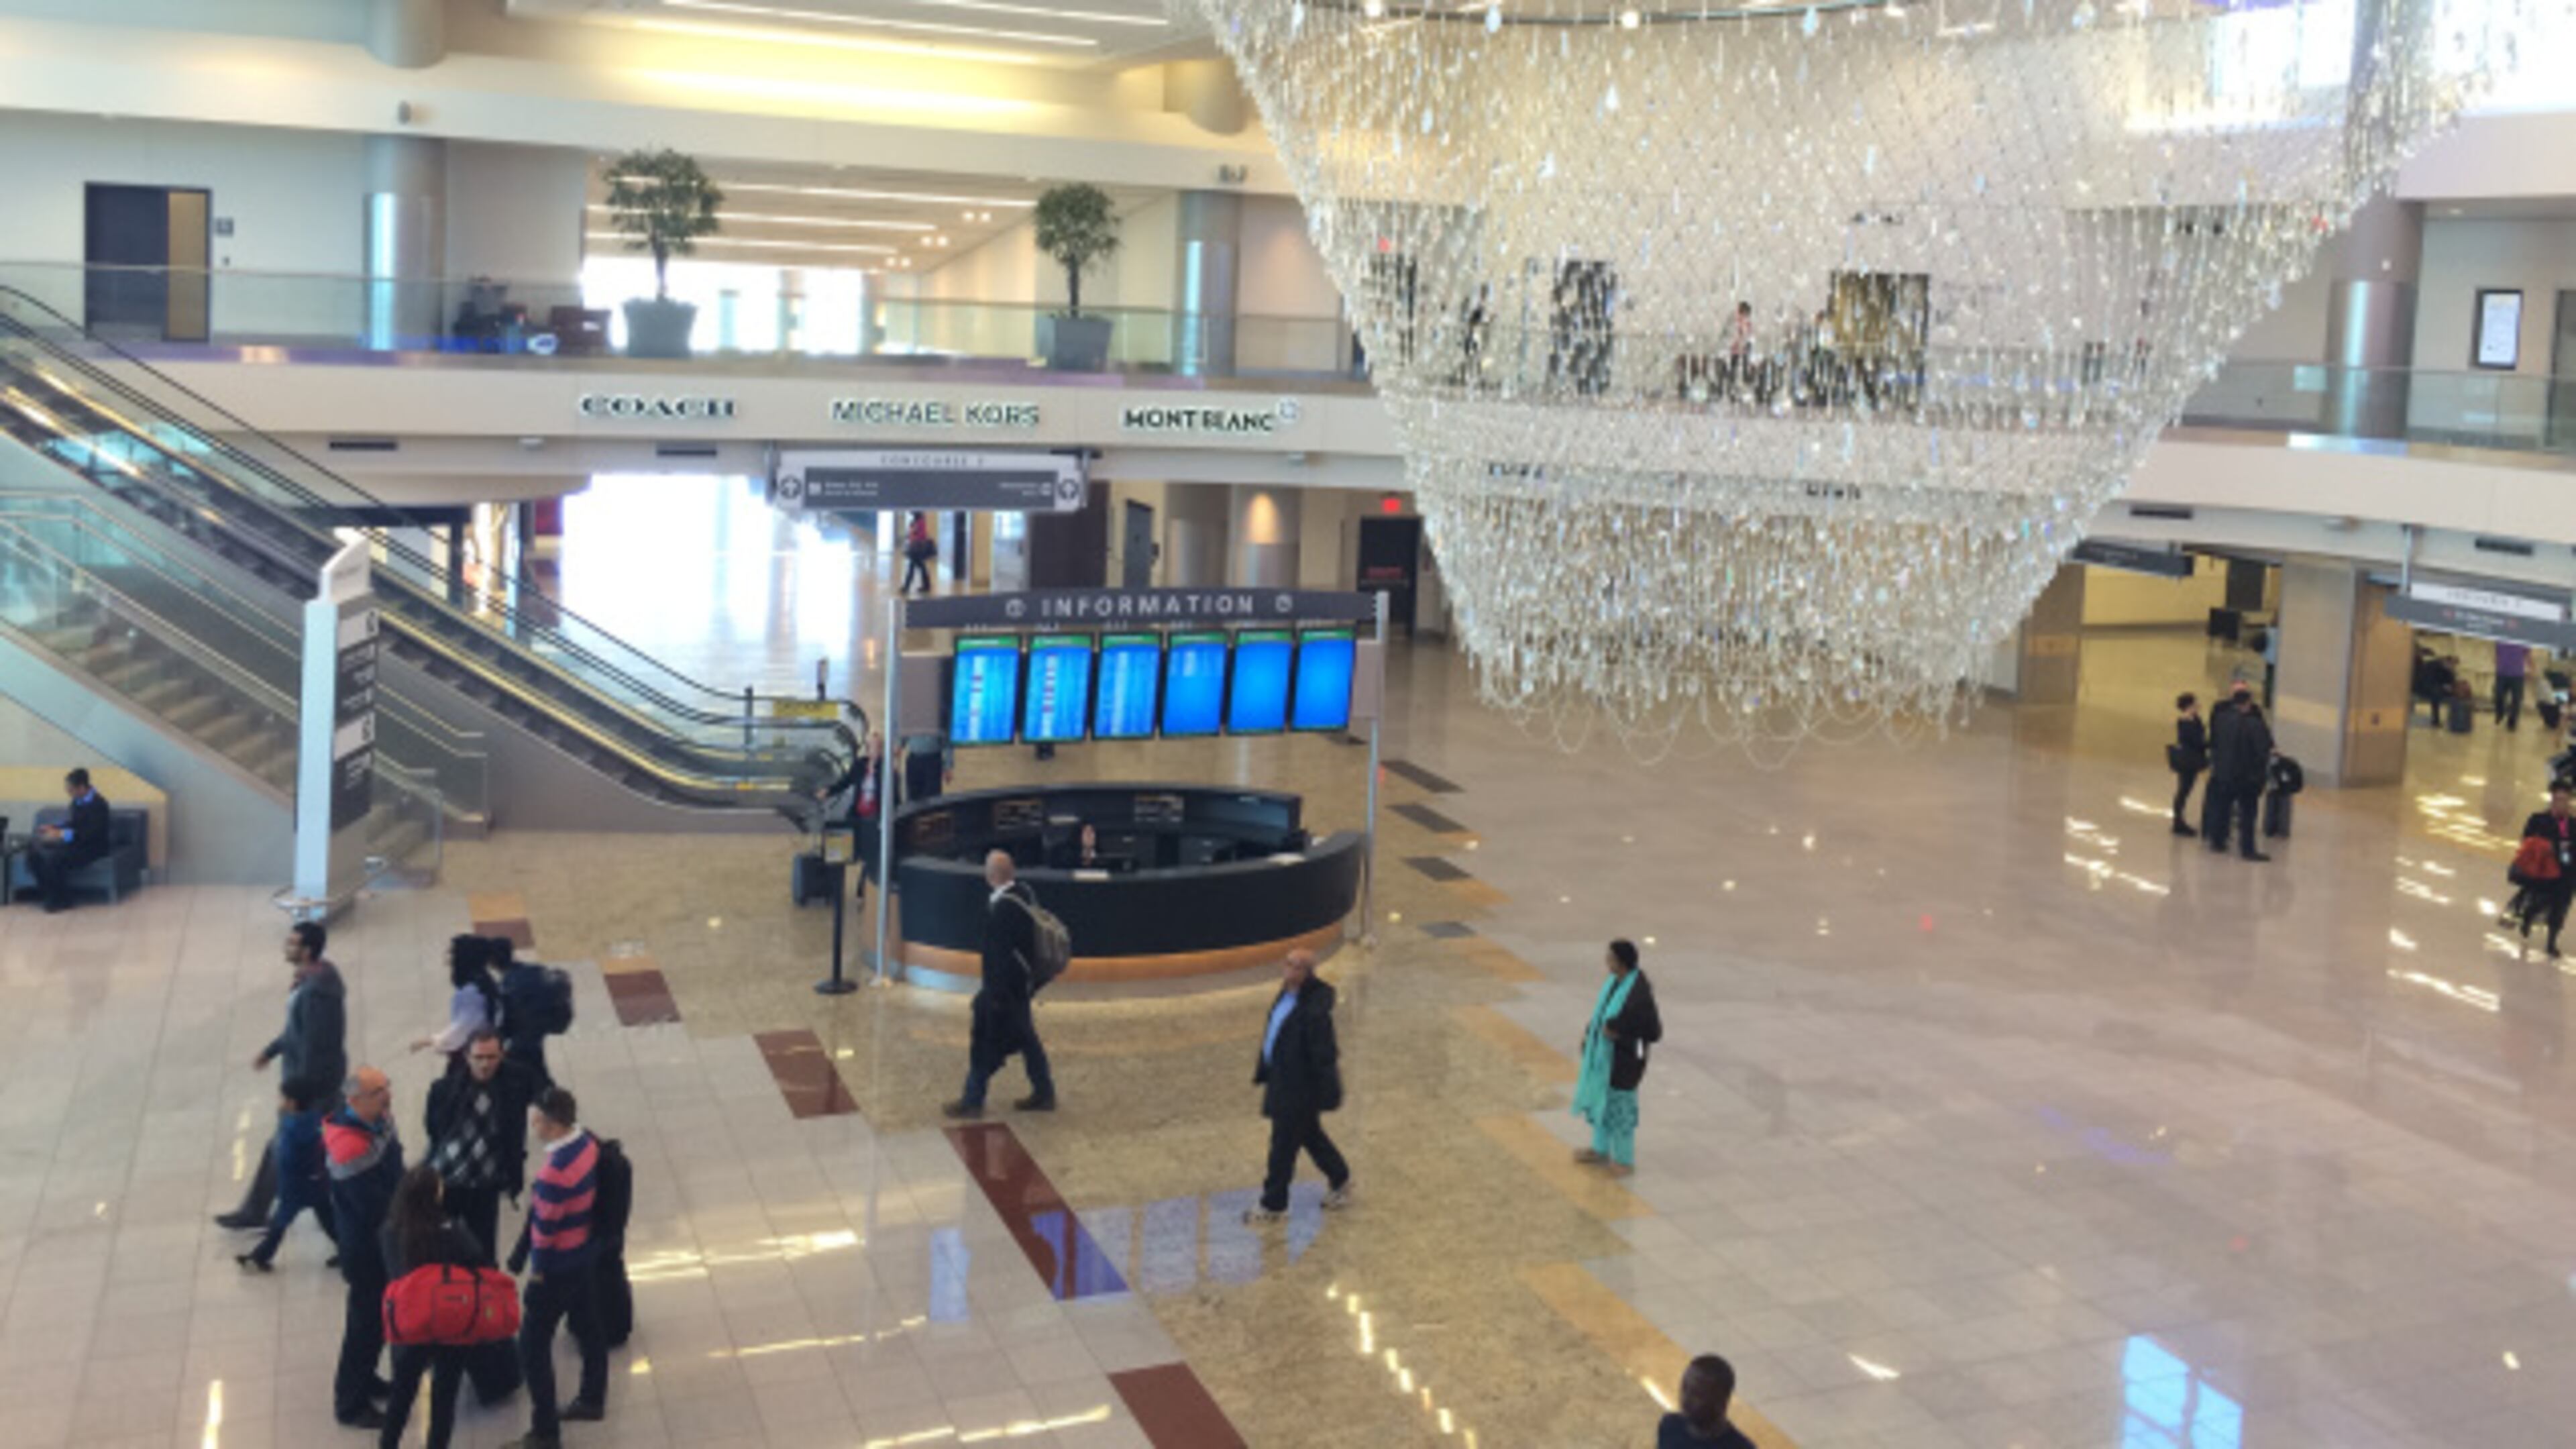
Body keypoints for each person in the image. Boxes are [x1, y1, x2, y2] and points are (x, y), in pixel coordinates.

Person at [216, 922, 349, 1230]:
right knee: (311, 1146)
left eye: (292, 944)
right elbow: (296, 1031)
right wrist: (272, 1050)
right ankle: (262, 1210)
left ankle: (257, 1212)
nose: (286, 948)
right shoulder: (313, 980)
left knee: (288, 1146)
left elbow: (315, 1044)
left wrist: (296, 1092)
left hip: (312, 1087)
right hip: (315, 1083)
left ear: (307, 950)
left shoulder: (316, 992)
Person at [505, 1087, 610, 1448]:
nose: (531, 1125)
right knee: (590, 1327)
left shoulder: (554, 1173)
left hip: (556, 1268)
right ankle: (593, 1397)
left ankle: (546, 1431)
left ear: (550, 1124)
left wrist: (537, 1273)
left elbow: (545, 1231)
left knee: (533, 1348)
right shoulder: (588, 1145)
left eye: (535, 1120)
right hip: (583, 1255)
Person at [377, 1165, 485, 1449]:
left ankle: (387, 1444)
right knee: (444, 1397)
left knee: (401, 1394)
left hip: (409, 1324)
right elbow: (478, 1259)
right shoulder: (451, 1231)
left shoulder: (390, 1232)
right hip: (451, 1324)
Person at [1242, 949, 1352, 1225]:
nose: (1290, 971)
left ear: (1308, 972)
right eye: (1288, 964)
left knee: (1282, 1146)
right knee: (1310, 1136)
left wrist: (1326, 1091)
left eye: (1297, 967)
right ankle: (1340, 1177)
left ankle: (1274, 1203)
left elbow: (1323, 1054)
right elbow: (1276, 1033)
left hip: (1298, 1089)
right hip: (1282, 1080)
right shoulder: (1286, 994)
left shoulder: (1314, 1012)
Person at [944, 850, 1056, 1118]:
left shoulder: (1002, 911)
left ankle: (973, 1100)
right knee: (1027, 1039)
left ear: (991, 876)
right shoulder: (1024, 894)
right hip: (1021, 986)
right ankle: (1044, 1092)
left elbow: (997, 958)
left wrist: (993, 996)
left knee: (985, 1042)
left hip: (1003, 992)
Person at [328, 1067, 405, 1430]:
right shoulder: (347, 1147)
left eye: (385, 1087)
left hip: (381, 1239)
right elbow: (371, 1204)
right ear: (354, 1100)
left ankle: (368, 1378)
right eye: (377, 1092)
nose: (386, 1095)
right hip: (364, 1251)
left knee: (374, 1324)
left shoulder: (380, 1120)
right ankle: (350, 1402)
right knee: (364, 1325)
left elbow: (395, 1164)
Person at [425, 1029, 539, 1262]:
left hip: (485, 1184)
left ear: (502, 1055)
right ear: (467, 1056)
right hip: (449, 1181)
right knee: (443, 1249)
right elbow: (434, 1128)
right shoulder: (444, 1089)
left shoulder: (516, 1082)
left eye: (491, 1057)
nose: (485, 1064)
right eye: (479, 1058)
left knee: (485, 1252)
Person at [1572, 939, 1662, 1177]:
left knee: (1621, 1110)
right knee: (1602, 1104)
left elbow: (1654, 1034)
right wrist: (1589, 1037)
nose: (1606, 960)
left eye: (1610, 957)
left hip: (1625, 1064)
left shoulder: (1638, 996)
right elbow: (1601, 1015)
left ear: (1620, 963)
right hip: (1605, 1060)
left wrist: (1618, 1036)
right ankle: (1600, 1149)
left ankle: (1624, 1160)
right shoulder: (1614, 983)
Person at [235, 1075, 334, 1271]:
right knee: (328, 1218)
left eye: (284, 1099)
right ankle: (348, 1251)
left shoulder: (292, 1128)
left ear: (293, 1103)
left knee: (279, 1223)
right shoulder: (316, 1119)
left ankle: (259, 1258)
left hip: (296, 1187)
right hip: (318, 1181)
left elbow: (286, 1158)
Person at [23, 767, 111, 912]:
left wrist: (62, 834)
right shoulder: (77, 802)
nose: (69, 793)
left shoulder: (99, 805)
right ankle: (50, 894)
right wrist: (54, 827)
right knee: (34, 854)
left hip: (93, 847)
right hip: (76, 843)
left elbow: (90, 834)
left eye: (71, 789)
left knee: (55, 858)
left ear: (82, 788)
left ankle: (59, 899)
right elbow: (74, 823)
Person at [2204, 682, 2273, 862]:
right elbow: (2262, 750)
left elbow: (2215, 743)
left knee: (2222, 808)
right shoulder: (2254, 724)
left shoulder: (2221, 719)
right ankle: (2247, 849)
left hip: (2224, 773)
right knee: (2248, 813)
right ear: (2248, 703)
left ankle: (2218, 841)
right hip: (2246, 777)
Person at [411, 935, 500, 1064]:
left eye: (452, 952)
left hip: (472, 1055)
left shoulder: (472, 992)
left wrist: (433, 1040)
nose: (448, 956)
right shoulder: (482, 982)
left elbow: (464, 1027)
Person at [494, 940, 567, 1087]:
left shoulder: (506, 986)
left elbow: (503, 1021)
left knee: (531, 1080)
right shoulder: (535, 971)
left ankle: (551, 1102)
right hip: (536, 1035)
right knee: (539, 1077)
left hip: (520, 1042)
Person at [2519, 786, 2576, 958]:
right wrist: (2547, 846)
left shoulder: (2573, 824)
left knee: (2560, 908)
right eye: (2558, 800)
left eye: (2565, 801)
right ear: (2551, 801)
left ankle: (2551, 942)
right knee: (2542, 901)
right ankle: (2529, 915)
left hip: (2567, 873)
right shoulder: (2539, 819)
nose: (2561, 804)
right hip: (2544, 871)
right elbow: (2526, 840)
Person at [1658, 1354, 1757, 1449]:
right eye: (1684, 1388)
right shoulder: (1670, 1426)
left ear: (1721, 1401)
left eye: (1697, 1394)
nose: (1686, 1399)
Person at [2169, 692, 2208, 838]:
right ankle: (2178, 821)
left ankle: (2179, 819)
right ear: (2189, 706)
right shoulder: (2185, 723)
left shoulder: (2195, 719)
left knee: (2185, 789)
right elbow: (2196, 741)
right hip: (2188, 761)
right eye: (2195, 703)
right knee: (2184, 789)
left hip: (2192, 759)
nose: (2198, 705)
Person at [900, 724, 954, 806]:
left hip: (932, 761)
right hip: (914, 760)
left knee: (933, 799)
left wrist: (948, 767)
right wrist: (898, 745)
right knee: (912, 798)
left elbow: (948, 744)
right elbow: (903, 735)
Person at [2496, 641, 2531, 731]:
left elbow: (2528, 655)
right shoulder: (2501, 638)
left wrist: (2531, 668)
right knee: (2498, 694)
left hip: (2517, 675)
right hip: (2502, 673)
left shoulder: (2523, 639)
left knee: (2517, 699)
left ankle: (2512, 722)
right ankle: (2500, 712)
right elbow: (2497, 653)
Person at [902, 511, 936, 595]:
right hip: (915, 547)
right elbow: (912, 533)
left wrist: (914, 534)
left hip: (917, 548)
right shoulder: (915, 521)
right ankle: (926, 585)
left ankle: (907, 587)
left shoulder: (921, 522)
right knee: (921, 567)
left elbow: (922, 535)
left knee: (913, 567)